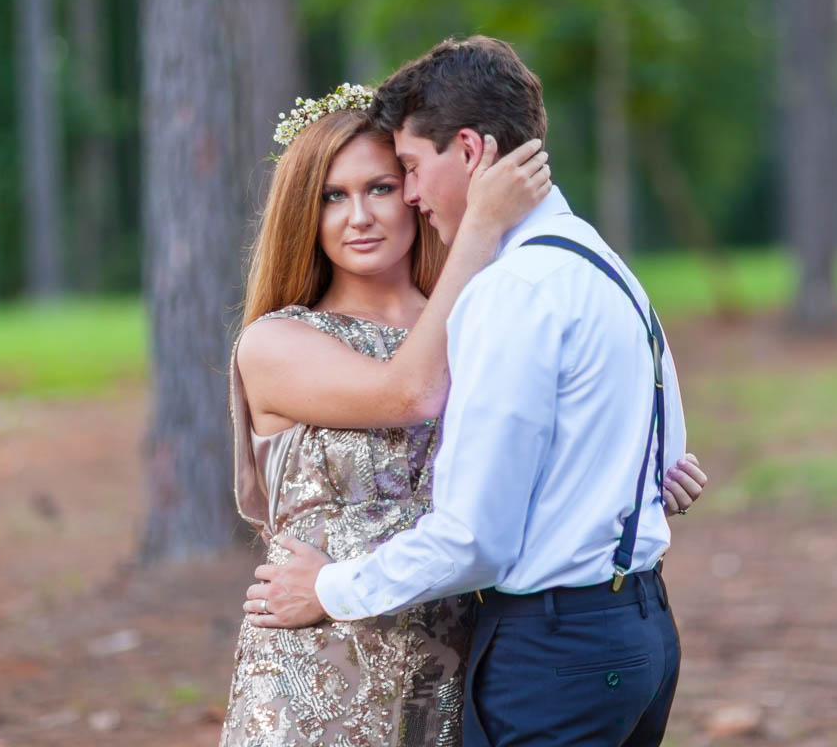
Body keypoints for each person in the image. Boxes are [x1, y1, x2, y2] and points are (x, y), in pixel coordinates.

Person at [221, 84, 706, 746]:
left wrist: (635, 479)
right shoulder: (277, 342)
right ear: (303, 210)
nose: (358, 215)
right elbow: (409, 395)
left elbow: (534, 458)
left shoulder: (486, 312)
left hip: (463, 654)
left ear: (414, 192)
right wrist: (481, 223)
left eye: (382, 187)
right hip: (324, 660)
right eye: (333, 195)